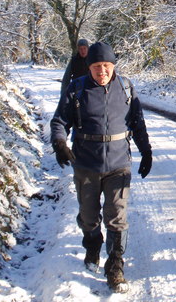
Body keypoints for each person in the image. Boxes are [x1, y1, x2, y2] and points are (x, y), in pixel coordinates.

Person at [50, 41, 153, 293]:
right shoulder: (77, 90)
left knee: (116, 216)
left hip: (119, 164)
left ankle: (115, 267)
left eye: (106, 66)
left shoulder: (126, 88)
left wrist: (147, 151)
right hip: (85, 163)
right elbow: (59, 121)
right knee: (88, 216)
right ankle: (93, 244)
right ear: (89, 67)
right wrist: (60, 143)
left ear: (113, 65)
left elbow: (138, 123)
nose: (102, 71)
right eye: (97, 66)